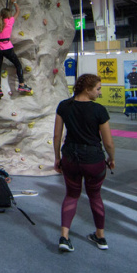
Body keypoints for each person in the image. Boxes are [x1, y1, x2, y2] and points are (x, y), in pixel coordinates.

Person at [53, 74, 116, 253]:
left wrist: (57, 157)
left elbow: (57, 135)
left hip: (70, 158)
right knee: (95, 196)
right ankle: (100, 236)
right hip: (93, 159)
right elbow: (108, 142)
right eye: (98, 89)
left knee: (71, 195)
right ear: (87, 90)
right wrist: (111, 158)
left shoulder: (64, 106)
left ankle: (64, 236)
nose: (99, 92)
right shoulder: (99, 110)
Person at [0, 0, 32, 99]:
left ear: (0, 15)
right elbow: (18, 11)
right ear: (8, 16)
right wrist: (14, 2)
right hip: (7, 47)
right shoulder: (10, 21)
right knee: (18, 64)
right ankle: (22, 85)